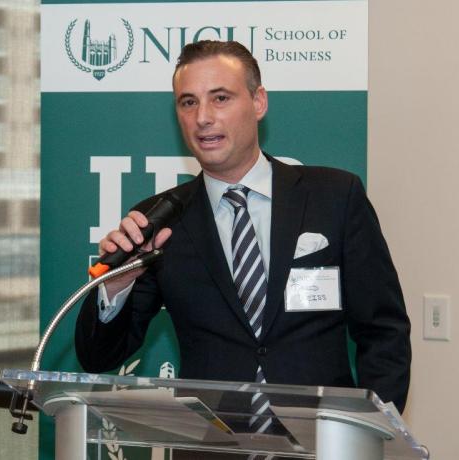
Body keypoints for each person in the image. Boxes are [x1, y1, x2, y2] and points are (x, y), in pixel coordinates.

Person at [74, 40, 411, 414]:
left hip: (324, 442)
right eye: (188, 102)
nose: (203, 117)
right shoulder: (159, 221)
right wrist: (115, 287)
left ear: (258, 102)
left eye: (220, 98)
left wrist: (370, 434)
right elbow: (97, 357)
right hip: (210, 446)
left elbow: (384, 332)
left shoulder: (334, 196)